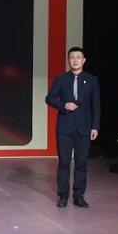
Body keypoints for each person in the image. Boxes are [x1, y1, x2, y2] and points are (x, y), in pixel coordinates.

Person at [45, 46, 100, 208]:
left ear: (84, 60)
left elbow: (96, 105)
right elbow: (49, 98)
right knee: (64, 162)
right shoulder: (61, 79)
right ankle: (63, 195)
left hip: (84, 128)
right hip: (65, 127)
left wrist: (95, 126)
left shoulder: (92, 80)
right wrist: (64, 105)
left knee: (81, 163)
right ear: (68, 60)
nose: (75, 60)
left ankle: (78, 196)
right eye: (72, 57)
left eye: (78, 57)